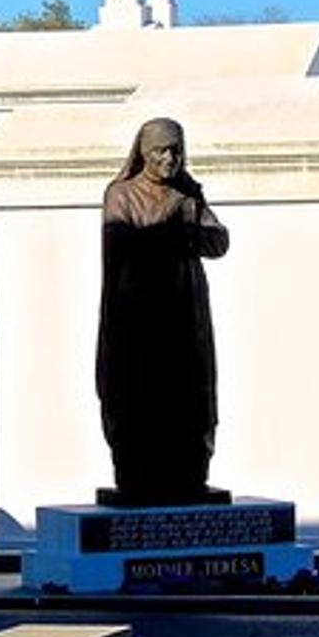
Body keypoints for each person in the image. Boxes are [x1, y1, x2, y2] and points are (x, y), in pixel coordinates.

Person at [95, 117, 229, 504]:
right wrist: (172, 235)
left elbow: (219, 240)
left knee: (191, 394)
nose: (170, 158)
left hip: (185, 313)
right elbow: (120, 244)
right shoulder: (121, 195)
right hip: (139, 317)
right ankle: (139, 474)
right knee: (139, 394)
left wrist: (188, 233)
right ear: (143, 153)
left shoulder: (188, 193)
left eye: (176, 150)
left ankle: (188, 473)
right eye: (161, 151)